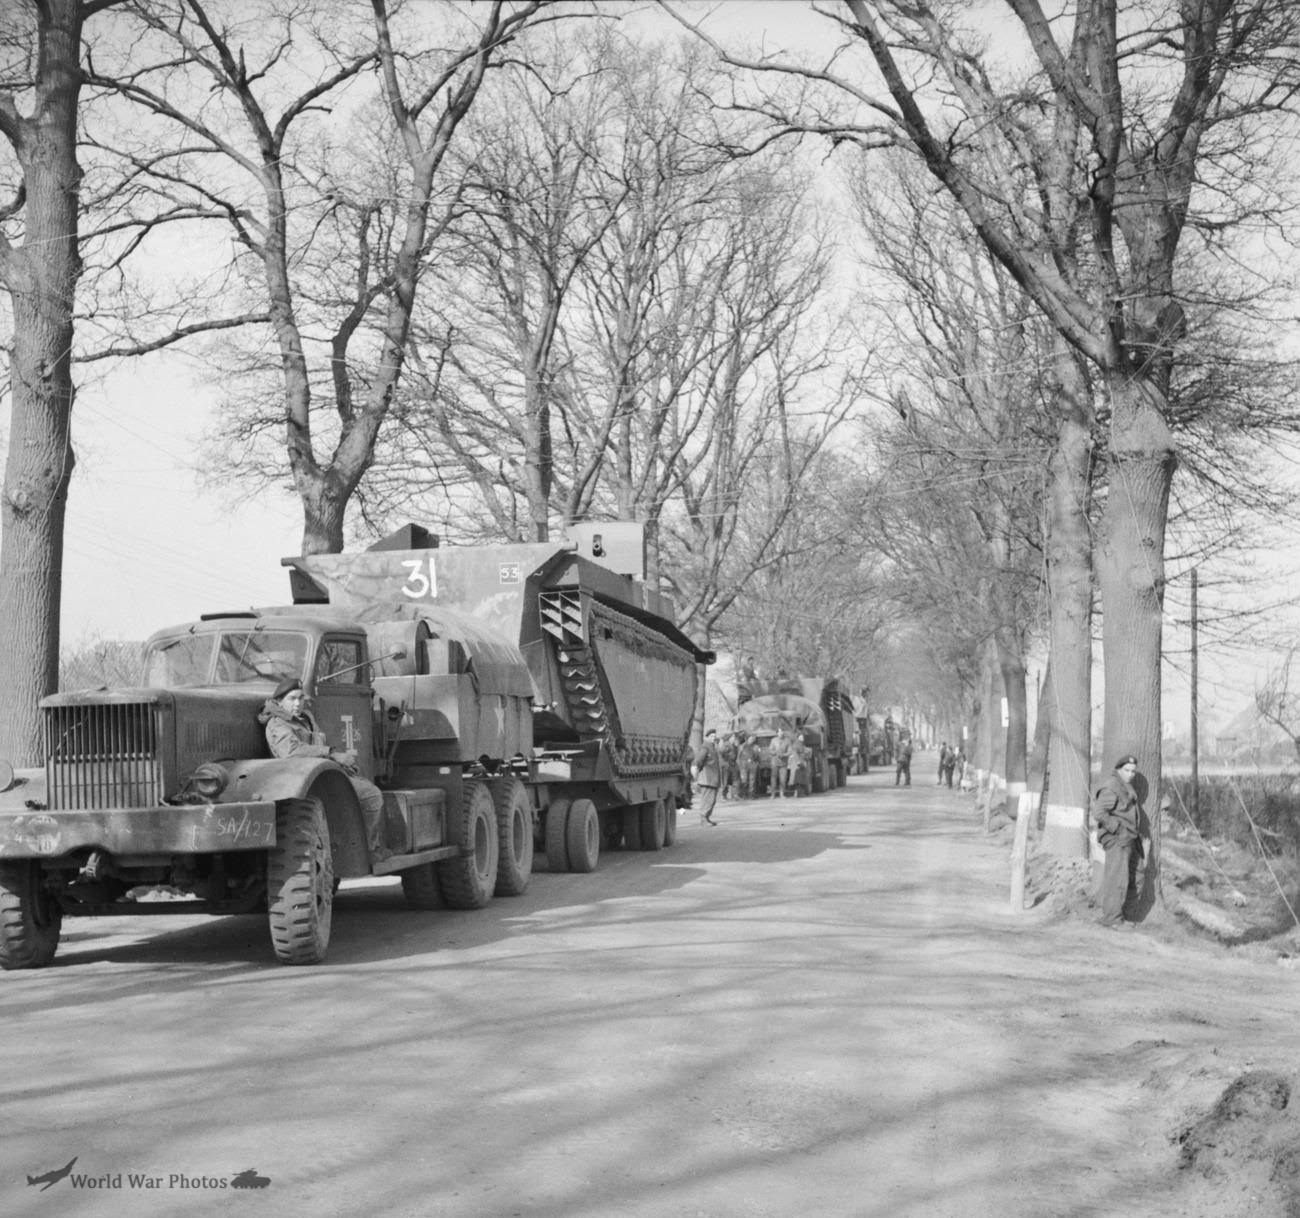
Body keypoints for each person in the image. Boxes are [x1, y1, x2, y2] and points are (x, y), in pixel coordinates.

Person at [259, 677, 390, 860]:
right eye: (291, 699)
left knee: (367, 791)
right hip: (300, 780)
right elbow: (291, 752)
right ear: (280, 701)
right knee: (372, 796)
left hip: (318, 775)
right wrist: (332, 753)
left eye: (300, 698)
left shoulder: (303, 719)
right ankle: (369, 851)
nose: (297, 703)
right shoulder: (278, 723)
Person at [1092, 754, 1145, 928]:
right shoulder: (1111, 787)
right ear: (1118, 770)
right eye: (1126, 770)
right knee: (1117, 879)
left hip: (1130, 838)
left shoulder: (1125, 786)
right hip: (1117, 839)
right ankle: (1112, 919)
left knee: (1136, 876)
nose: (1130, 774)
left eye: (1133, 771)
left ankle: (1124, 916)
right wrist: (1118, 830)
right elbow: (1099, 813)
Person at [693, 728, 722, 825]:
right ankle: (703, 818)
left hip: (712, 778)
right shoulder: (706, 747)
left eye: (714, 736)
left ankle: (706, 818)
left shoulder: (712, 747)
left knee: (712, 800)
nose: (713, 738)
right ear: (706, 737)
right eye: (711, 736)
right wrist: (695, 767)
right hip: (707, 778)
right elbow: (699, 759)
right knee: (707, 800)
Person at [768, 728, 791, 798]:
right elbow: (770, 750)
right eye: (779, 732)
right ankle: (773, 794)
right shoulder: (773, 740)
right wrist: (775, 753)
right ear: (777, 733)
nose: (781, 733)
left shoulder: (787, 741)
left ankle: (782, 793)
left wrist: (784, 755)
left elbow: (790, 751)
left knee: (783, 779)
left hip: (783, 762)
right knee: (773, 778)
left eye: (782, 732)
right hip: (775, 762)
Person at [737, 734, 761, 800]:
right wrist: (739, 765)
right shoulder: (742, 746)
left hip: (753, 765)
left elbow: (758, 757)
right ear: (747, 739)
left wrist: (757, 764)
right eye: (751, 738)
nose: (752, 740)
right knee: (744, 781)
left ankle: (751, 795)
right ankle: (743, 794)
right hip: (744, 766)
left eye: (753, 739)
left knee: (752, 781)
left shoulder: (756, 747)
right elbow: (738, 757)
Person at [786, 731, 808, 797]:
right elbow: (795, 753)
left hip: (801, 761)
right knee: (797, 779)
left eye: (803, 736)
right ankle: (797, 793)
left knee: (801, 778)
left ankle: (799, 793)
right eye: (801, 736)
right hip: (797, 763)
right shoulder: (796, 744)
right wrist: (798, 761)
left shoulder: (801, 744)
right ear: (798, 737)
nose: (803, 737)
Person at [719, 732, 740, 800]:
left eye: (734, 737)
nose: (734, 738)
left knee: (735, 780)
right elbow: (721, 752)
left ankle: (735, 795)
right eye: (733, 737)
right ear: (729, 738)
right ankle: (723, 795)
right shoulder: (726, 745)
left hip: (733, 764)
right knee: (725, 781)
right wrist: (727, 754)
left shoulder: (734, 745)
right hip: (726, 764)